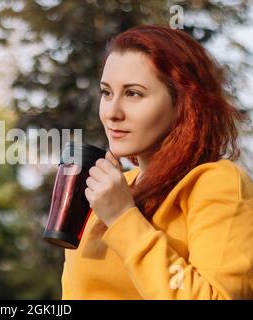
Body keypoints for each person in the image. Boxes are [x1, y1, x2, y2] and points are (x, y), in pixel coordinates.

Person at [61, 25, 253, 300]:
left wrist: (123, 219)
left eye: (133, 93)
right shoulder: (112, 190)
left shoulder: (215, 182)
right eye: (106, 93)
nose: (112, 112)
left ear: (183, 104)